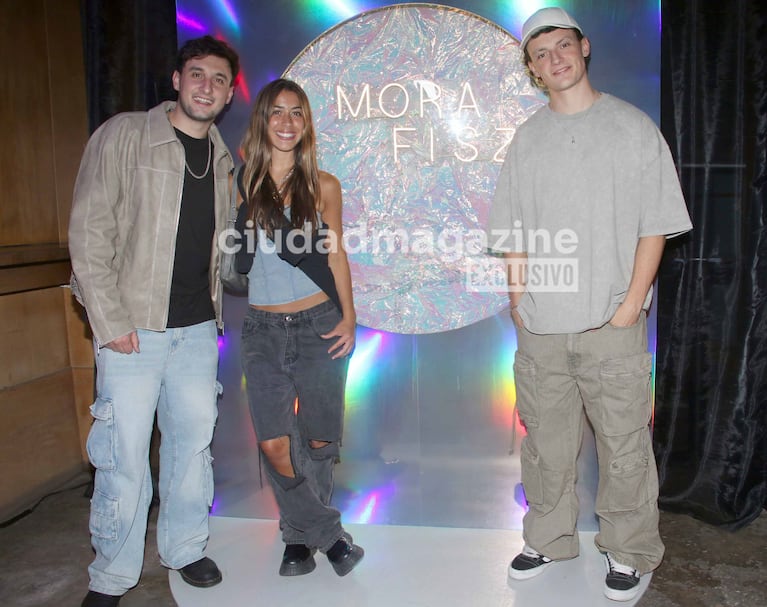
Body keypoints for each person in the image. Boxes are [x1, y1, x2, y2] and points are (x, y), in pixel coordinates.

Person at [487, 7, 692, 602]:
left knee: (625, 445)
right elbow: (514, 231)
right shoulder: (527, 138)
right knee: (544, 443)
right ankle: (547, 538)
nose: (556, 59)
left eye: (562, 46)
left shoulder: (631, 128)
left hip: (611, 322)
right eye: (541, 53)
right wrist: (518, 299)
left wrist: (631, 305)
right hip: (543, 326)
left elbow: (655, 225)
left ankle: (628, 551)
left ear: (585, 46)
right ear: (533, 69)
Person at [68, 36, 239, 607]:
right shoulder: (124, 135)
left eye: (218, 79)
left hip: (195, 333)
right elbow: (89, 232)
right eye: (197, 74)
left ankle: (186, 549)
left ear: (229, 93)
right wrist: (109, 320)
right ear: (176, 79)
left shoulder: (223, 158)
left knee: (192, 452)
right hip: (131, 330)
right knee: (122, 461)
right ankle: (112, 576)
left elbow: (223, 249)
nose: (206, 86)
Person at [236, 78, 363, 578]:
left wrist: (349, 317)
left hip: (319, 322)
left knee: (317, 441)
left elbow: (335, 252)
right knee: (273, 441)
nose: (287, 122)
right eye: (277, 113)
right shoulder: (241, 181)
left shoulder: (324, 185)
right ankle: (325, 535)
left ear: (306, 123)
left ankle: (297, 540)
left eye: (297, 113)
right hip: (262, 329)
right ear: (262, 121)